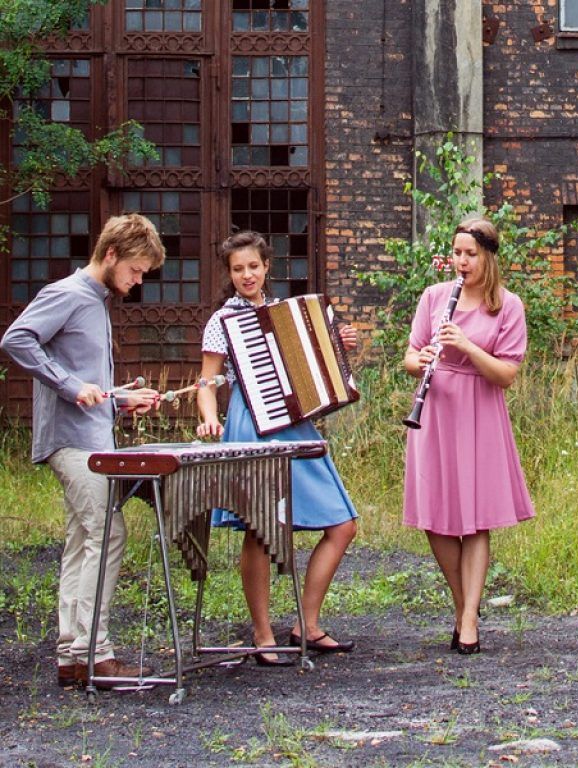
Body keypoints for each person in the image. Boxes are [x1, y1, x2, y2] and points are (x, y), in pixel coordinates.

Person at [1, 213, 166, 687]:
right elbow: (16, 339)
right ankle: (97, 653)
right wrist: (72, 386)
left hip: (91, 436)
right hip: (72, 443)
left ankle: (72, 656)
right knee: (107, 535)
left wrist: (120, 399)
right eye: (135, 270)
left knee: (83, 539)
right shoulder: (67, 294)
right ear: (111, 254)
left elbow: (90, 386)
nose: (137, 281)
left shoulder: (95, 302)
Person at [196, 231, 359, 665]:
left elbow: (317, 369)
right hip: (251, 425)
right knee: (260, 530)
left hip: (297, 425)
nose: (246, 275)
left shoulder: (288, 313)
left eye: (253, 266)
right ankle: (263, 635)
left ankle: (307, 624)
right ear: (229, 274)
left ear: (267, 267)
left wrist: (341, 348)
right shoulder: (221, 321)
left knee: (343, 525)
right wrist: (210, 414)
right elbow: (207, 381)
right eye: (237, 269)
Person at [403, 216, 534, 655]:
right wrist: (419, 360)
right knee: (435, 515)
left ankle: (471, 616)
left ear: (488, 257)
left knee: (475, 517)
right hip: (435, 408)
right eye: (457, 253)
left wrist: (467, 346)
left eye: (470, 254)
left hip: (479, 408)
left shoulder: (507, 305)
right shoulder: (434, 297)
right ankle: (463, 608)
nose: (461, 262)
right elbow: (409, 354)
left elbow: (507, 375)